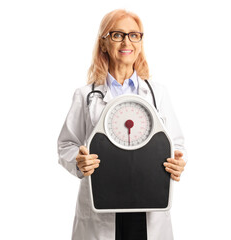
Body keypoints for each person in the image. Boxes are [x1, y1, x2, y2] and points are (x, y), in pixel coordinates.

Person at [57, 9, 187, 240]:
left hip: (149, 208)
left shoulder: (157, 93)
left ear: (140, 42)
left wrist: (178, 161)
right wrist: (78, 162)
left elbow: (176, 143)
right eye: (117, 34)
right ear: (104, 43)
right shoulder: (85, 95)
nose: (127, 41)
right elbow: (66, 144)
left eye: (134, 35)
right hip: (102, 207)